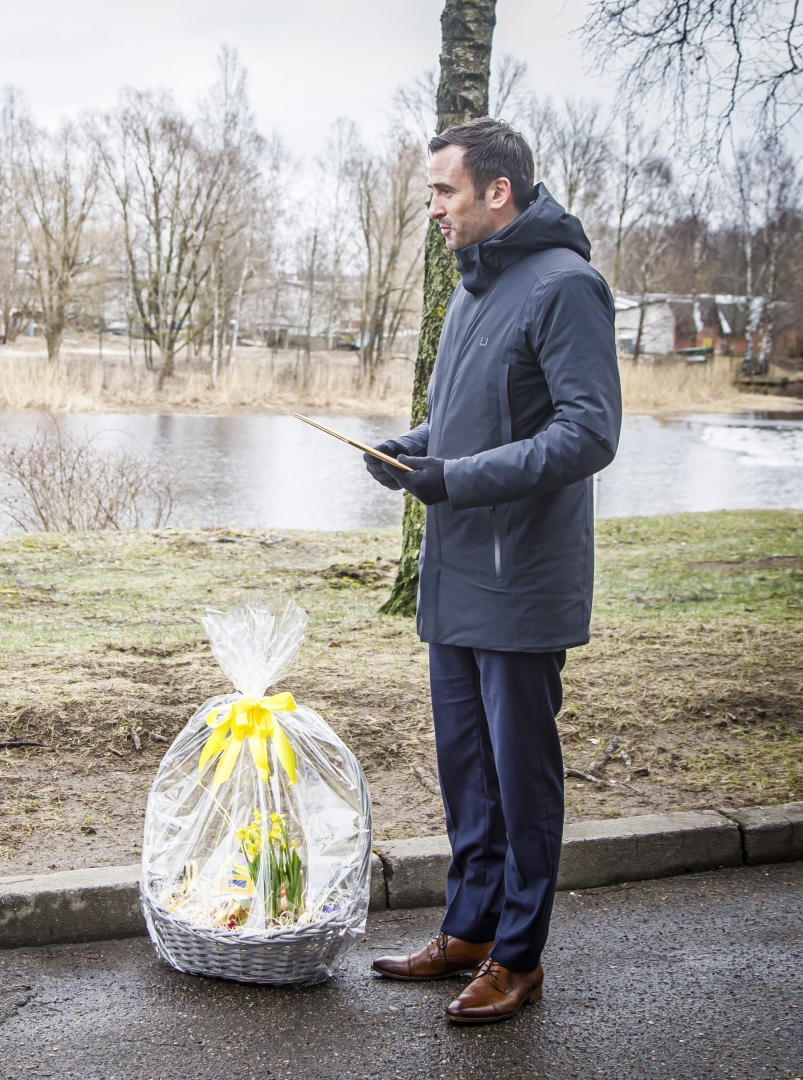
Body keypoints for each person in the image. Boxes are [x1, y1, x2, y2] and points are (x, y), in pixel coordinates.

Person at [363, 118, 621, 1024]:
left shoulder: (565, 285)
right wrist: (413, 449)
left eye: (443, 190)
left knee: (521, 779)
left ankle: (518, 956)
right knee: (467, 773)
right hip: (456, 574)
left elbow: (587, 434)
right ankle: (468, 930)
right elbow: (476, 417)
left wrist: (456, 478)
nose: (433, 208)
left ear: (496, 191)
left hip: (522, 580)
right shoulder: (474, 287)